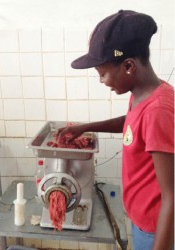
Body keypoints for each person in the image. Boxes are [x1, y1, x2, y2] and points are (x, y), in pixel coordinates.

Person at [57, 10, 174, 250]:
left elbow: (171, 196)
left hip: (155, 231)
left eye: (102, 74)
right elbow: (131, 122)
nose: (102, 81)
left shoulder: (158, 110)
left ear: (128, 66)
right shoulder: (143, 95)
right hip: (141, 220)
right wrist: (87, 127)